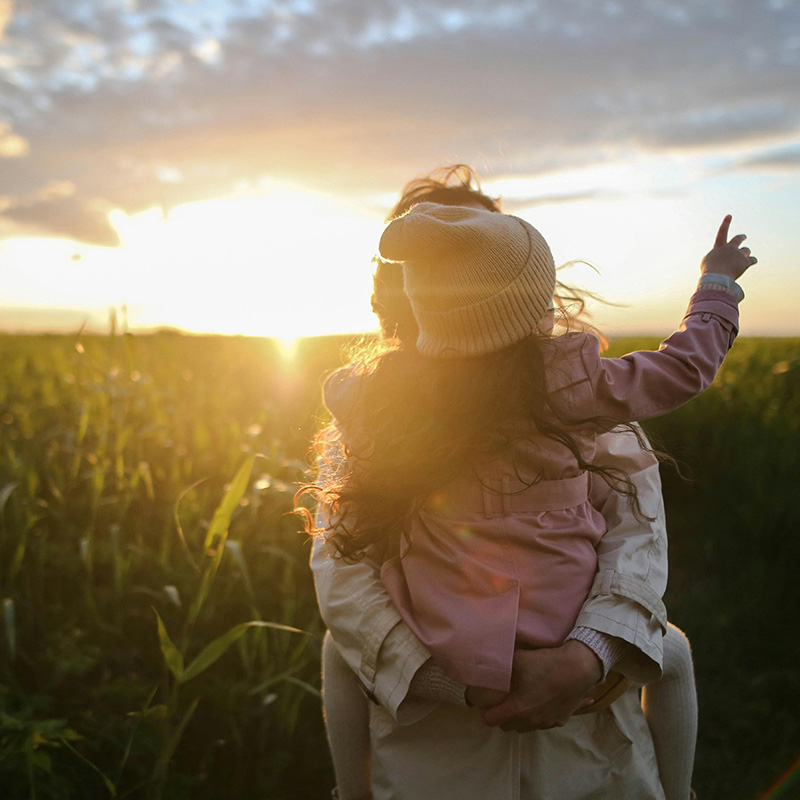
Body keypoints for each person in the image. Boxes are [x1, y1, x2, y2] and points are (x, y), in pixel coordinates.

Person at [307, 166, 754, 799]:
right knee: (671, 650)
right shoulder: (576, 389)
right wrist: (715, 289)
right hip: (434, 743)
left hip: (587, 737)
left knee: (337, 653)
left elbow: (636, 533)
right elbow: (343, 574)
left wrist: (585, 657)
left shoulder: (380, 402)